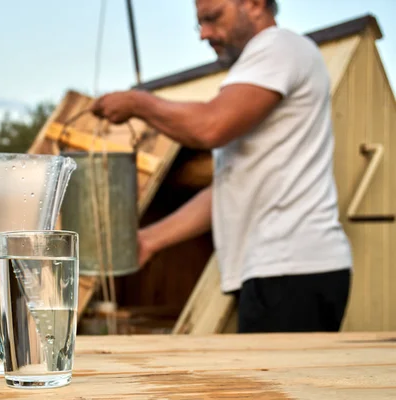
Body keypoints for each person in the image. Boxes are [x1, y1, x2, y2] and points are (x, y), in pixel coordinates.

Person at [90, 0, 353, 333]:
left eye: (213, 18)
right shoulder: (264, 65)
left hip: (293, 270)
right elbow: (229, 189)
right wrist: (149, 240)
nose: (204, 34)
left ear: (255, 4)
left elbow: (210, 127)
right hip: (279, 273)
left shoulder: (279, 46)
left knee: (276, 385)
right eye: (199, 24)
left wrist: (137, 102)